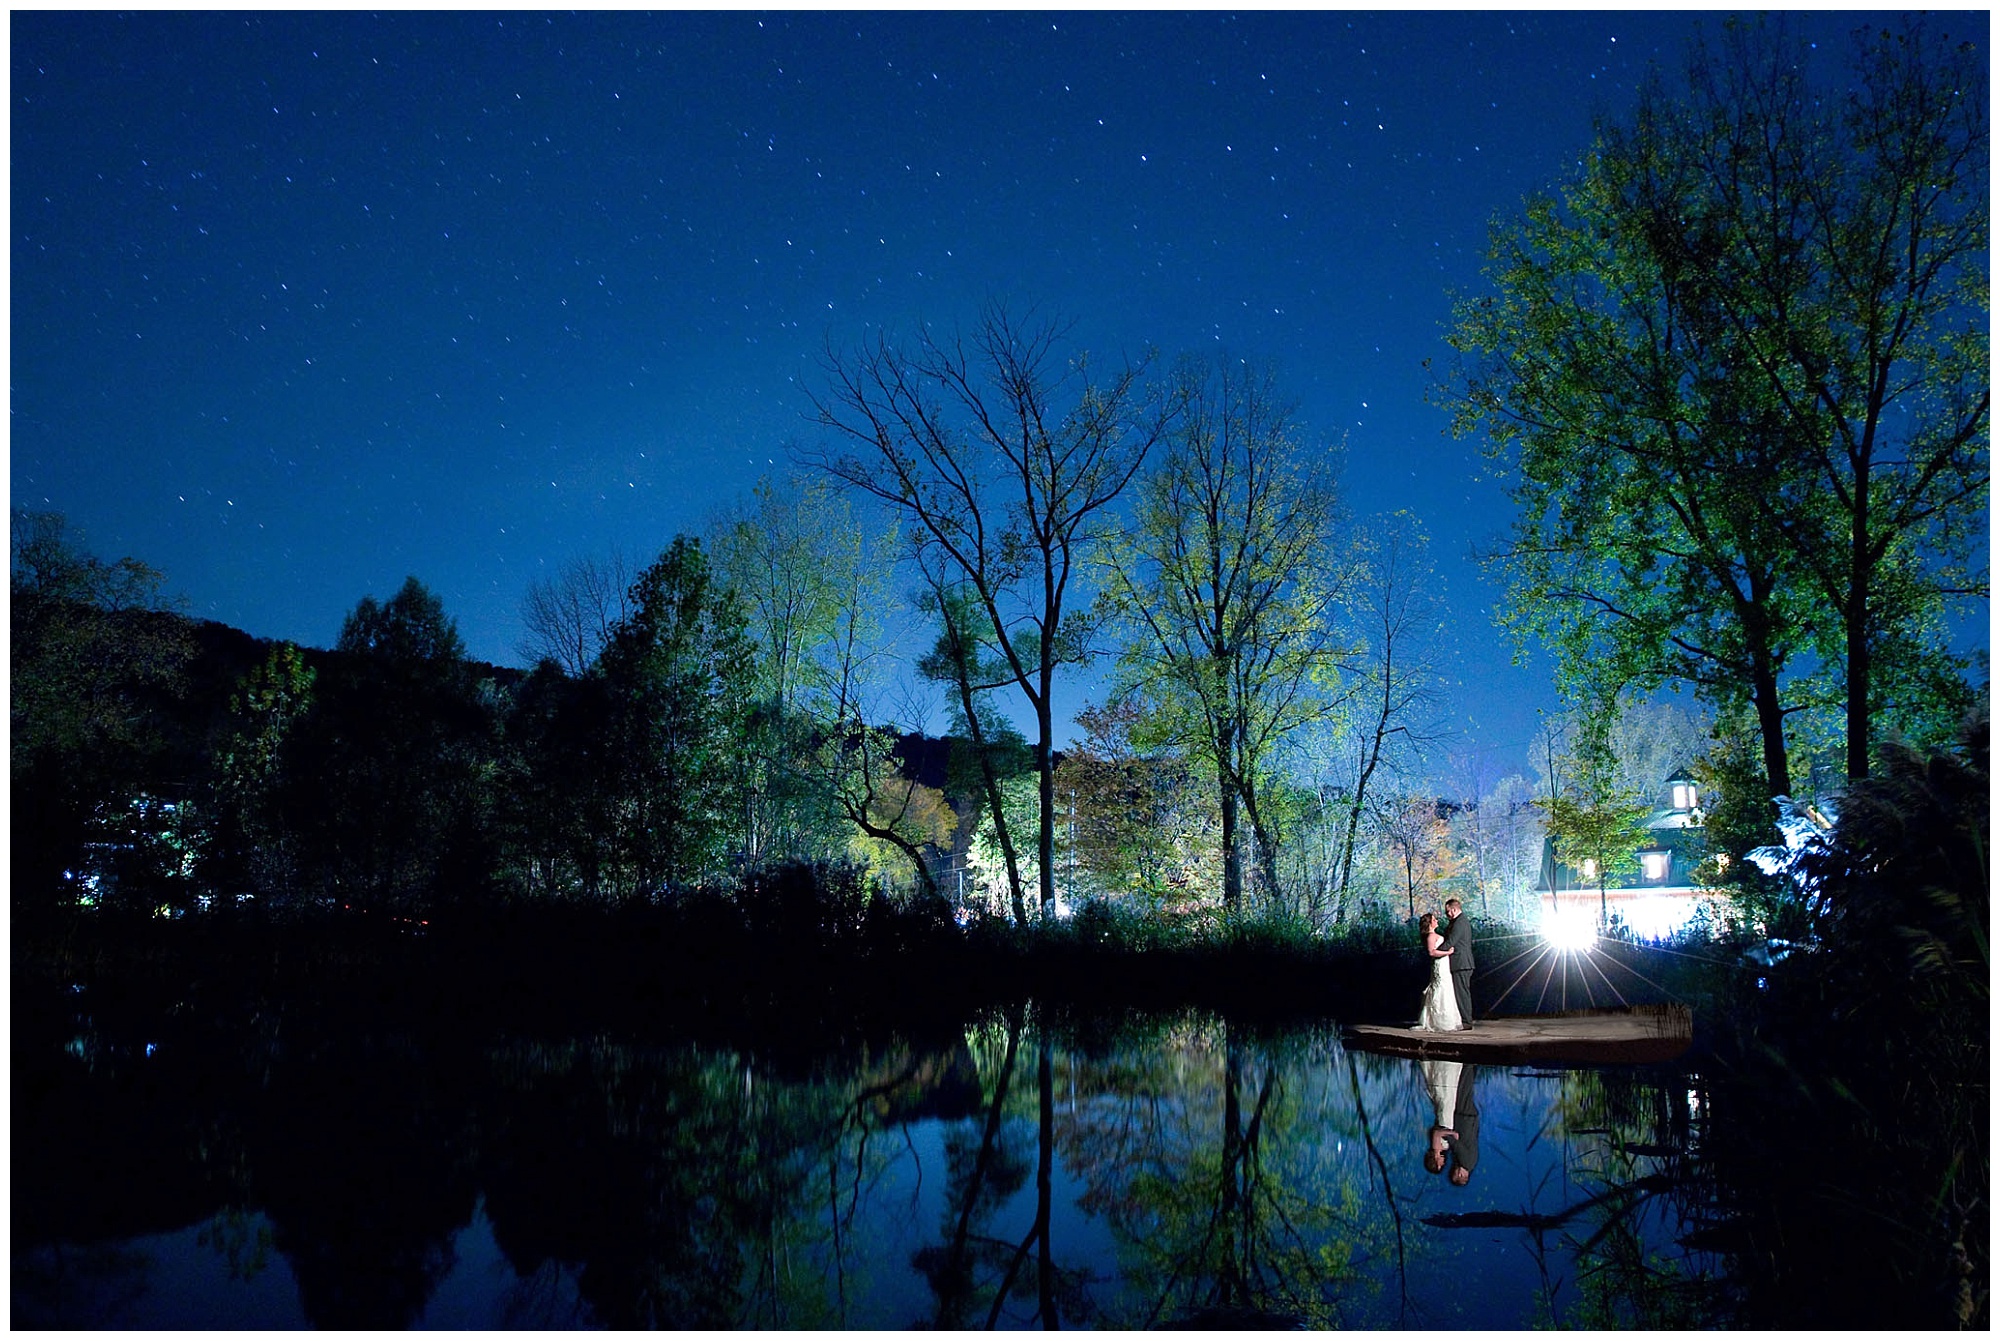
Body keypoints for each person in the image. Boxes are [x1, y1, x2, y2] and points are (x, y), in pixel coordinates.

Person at [1413, 911, 1462, 1032]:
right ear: (1429, 923)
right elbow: (1432, 952)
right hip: (1439, 965)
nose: (1437, 921)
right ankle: (1437, 1020)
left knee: (1446, 988)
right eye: (1434, 920)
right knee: (1440, 988)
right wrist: (1447, 953)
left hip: (1444, 964)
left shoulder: (1434, 935)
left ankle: (1447, 1019)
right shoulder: (1431, 936)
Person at [1419, 1055, 1462, 1174]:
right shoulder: (1443, 1147)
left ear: (1436, 1161)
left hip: (1445, 1114)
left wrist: (1452, 1133)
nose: (1443, 1163)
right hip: (1447, 1113)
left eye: (1441, 1164)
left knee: (1446, 1090)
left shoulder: (1437, 1146)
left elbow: (1437, 1133)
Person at [1440, 896, 1475, 1027]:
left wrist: (1436, 951)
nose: (1446, 914)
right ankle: (1463, 1020)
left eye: (1447, 911)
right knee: (1460, 992)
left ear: (1454, 910)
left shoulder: (1460, 923)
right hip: (1460, 962)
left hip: (1461, 963)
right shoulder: (1459, 922)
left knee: (1462, 993)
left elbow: (1451, 942)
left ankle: (1466, 1021)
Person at [1444, 1063, 1480, 1186]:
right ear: (1460, 1175)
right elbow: (1456, 1144)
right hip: (1465, 1118)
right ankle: (1469, 1064)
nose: (1453, 1169)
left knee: (1466, 1090)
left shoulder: (1471, 1162)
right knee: (1463, 1088)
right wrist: (1443, 1136)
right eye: (1454, 1172)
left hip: (1468, 1120)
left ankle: (1471, 1066)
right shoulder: (1466, 1162)